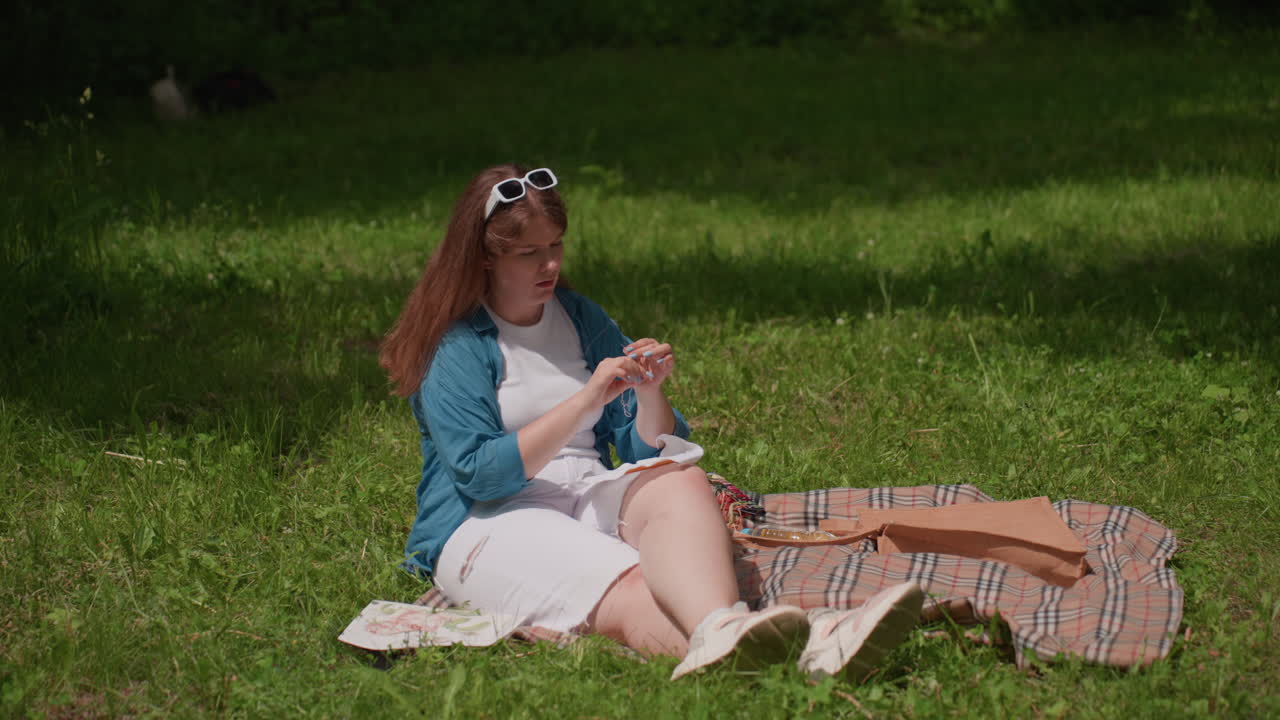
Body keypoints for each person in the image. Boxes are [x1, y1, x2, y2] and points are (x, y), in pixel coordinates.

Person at [379, 164, 923, 681]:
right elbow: (480, 475)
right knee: (637, 583)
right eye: (529, 254)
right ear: (485, 259)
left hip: (582, 494)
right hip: (488, 521)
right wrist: (586, 400)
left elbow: (644, 451)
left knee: (679, 477)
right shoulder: (454, 346)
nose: (549, 265)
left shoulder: (577, 317)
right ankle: (810, 649)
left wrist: (648, 393)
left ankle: (725, 629)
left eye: (555, 246)